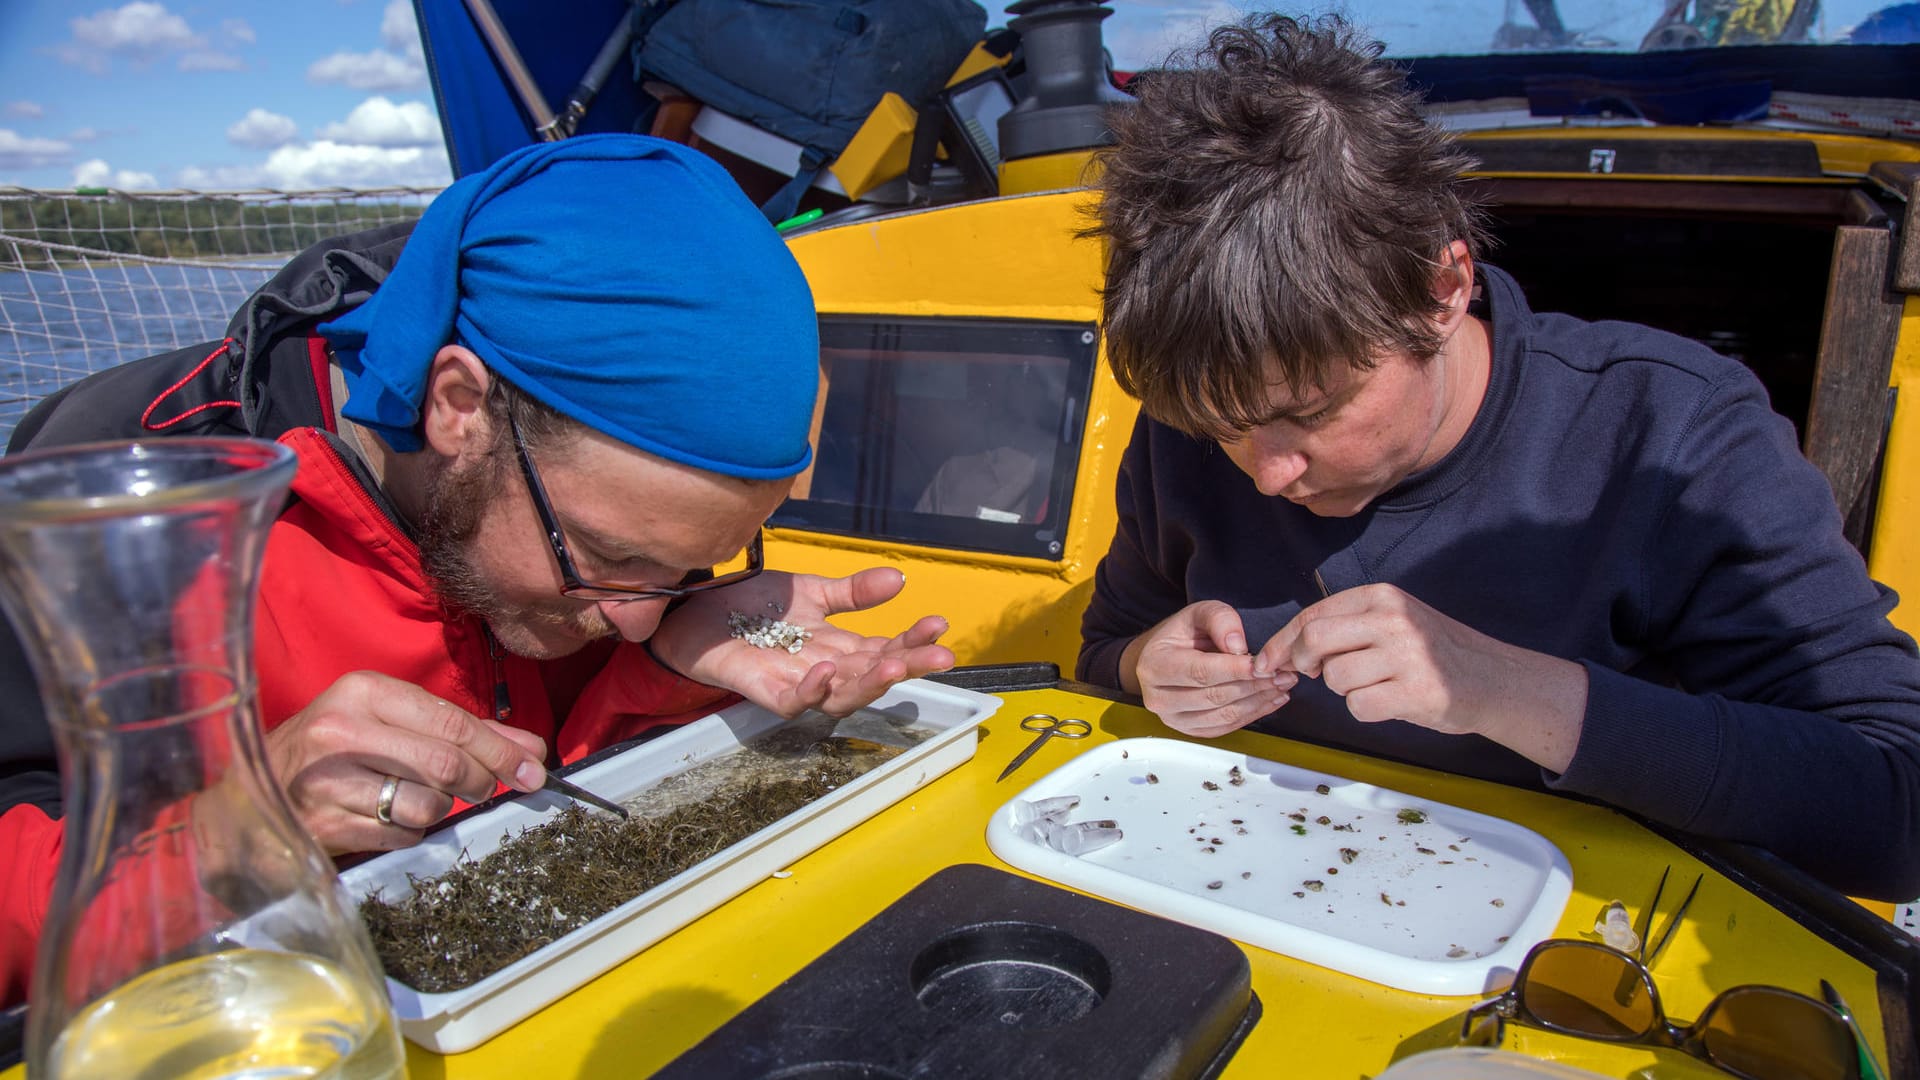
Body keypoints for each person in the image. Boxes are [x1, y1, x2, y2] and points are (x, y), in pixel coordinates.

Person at [0, 134, 956, 1005]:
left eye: (693, 566)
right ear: (459, 406)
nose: (635, 613)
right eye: (614, 557)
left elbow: (557, 788)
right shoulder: (112, 500)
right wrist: (229, 838)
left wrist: (666, 673)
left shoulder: (622, 539)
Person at [1075, 15, 1920, 900]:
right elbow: (1108, 646)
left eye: (1310, 411)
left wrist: (1506, 691)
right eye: (1223, 429)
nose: (1264, 473)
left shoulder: (1674, 433)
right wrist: (1148, 668)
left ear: (1443, 290)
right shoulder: (1193, 415)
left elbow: (1894, 810)